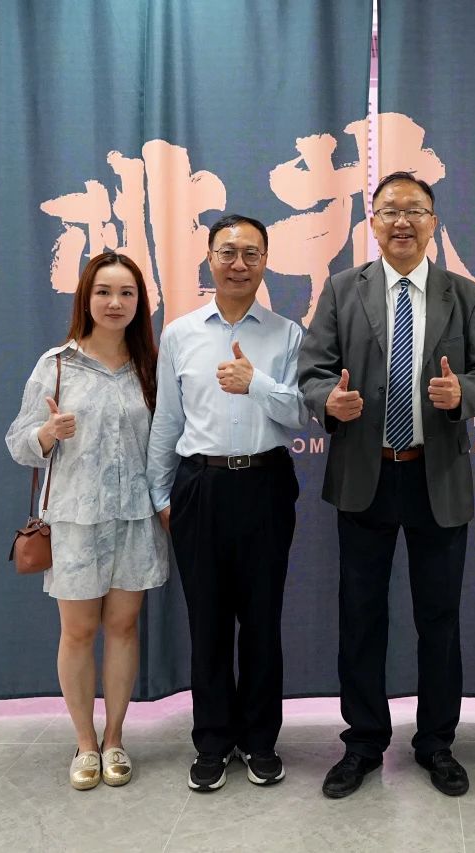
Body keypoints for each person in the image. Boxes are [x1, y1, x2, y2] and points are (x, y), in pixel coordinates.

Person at [298, 171, 475, 799]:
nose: (402, 221)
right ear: (372, 221)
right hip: (364, 476)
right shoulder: (343, 289)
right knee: (361, 616)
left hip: (435, 475)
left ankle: (437, 742)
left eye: (415, 210)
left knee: (439, 619)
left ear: (433, 222)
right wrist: (327, 401)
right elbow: (312, 372)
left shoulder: (464, 294)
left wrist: (461, 394)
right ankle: (363, 743)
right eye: (389, 209)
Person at [147, 214, 307, 792]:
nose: (239, 264)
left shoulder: (287, 334)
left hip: (266, 484)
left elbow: (301, 413)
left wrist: (254, 382)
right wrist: (161, 495)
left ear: (266, 261)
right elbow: (167, 421)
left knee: (262, 622)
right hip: (201, 487)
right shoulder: (180, 334)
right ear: (210, 257)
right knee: (208, 623)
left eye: (251, 253)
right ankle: (212, 742)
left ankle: (260, 741)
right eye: (228, 252)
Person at [5, 250, 168, 791]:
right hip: (75, 520)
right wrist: (47, 433)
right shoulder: (57, 365)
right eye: (103, 292)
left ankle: (115, 737)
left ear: (139, 301)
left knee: (123, 627)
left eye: (126, 293)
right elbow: (18, 443)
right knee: (77, 631)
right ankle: (84, 743)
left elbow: (166, 443)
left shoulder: (150, 366)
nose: (114, 302)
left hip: (135, 519)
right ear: (86, 298)